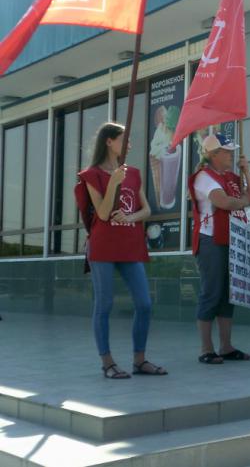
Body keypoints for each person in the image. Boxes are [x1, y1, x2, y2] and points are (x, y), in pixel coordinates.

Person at [78, 122, 166, 379]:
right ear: (108, 141)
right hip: (103, 245)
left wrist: (130, 218)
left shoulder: (134, 173)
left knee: (144, 303)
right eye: (124, 139)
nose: (128, 144)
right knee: (104, 304)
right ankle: (107, 362)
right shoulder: (91, 174)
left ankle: (140, 360)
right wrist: (114, 182)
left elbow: (147, 210)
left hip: (129, 245)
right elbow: (103, 214)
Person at [189, 133, 250, 364]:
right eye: (227, 151)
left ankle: (226, 346)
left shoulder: (231, 177)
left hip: (232, 239)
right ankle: (205, 348)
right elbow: (224, 202)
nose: (231, 155)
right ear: (213, 154)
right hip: (211, 240)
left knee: (228, 296)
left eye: (231, 151)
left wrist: (247, 171)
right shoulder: (203, 177)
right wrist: (243, 202)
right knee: (211, 293)